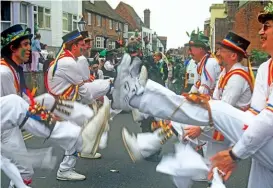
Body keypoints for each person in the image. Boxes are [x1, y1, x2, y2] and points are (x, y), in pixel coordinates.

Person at [112, 4, 273, 187]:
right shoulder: (263, 68)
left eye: (266, 26)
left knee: (206, 116)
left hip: (238, 128)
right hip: (247, 130)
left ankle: (144, 117)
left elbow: (227, 108)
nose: (218, 52)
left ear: (233, 56)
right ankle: (178, 160)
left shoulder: (235, 75)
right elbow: (254, 112)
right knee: (217, 167)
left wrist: (228, 147)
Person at [0, 24, 108, 187]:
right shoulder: (4, 72)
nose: (30, 48)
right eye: (25, 45)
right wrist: (45, 119)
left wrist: (44, 113)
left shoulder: (14, 69)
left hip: (42, 111)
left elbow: (24, 99)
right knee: (24, 170)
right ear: (12, 48)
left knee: (24, 171)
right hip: (6, 129)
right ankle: (65, 169)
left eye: (29, 44)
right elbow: (14, 108)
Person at [46, 29, 111, 181]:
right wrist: (94, 99)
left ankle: (67, 168)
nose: (84, 48)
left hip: (63, 104)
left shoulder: (64, 59)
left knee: (76, 138)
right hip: (64, 106)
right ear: (73, 46)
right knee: (74, 138)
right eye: (82, 45)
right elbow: (82, 88)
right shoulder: (69, 63)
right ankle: (64, 170)